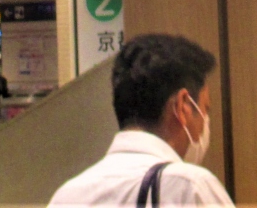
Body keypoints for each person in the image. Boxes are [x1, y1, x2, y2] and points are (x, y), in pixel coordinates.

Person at [48, 34, 233, 208]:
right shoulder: (188, 186)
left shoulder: (67, 195)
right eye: (205, 110)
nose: (205, 124)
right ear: (182, 106)